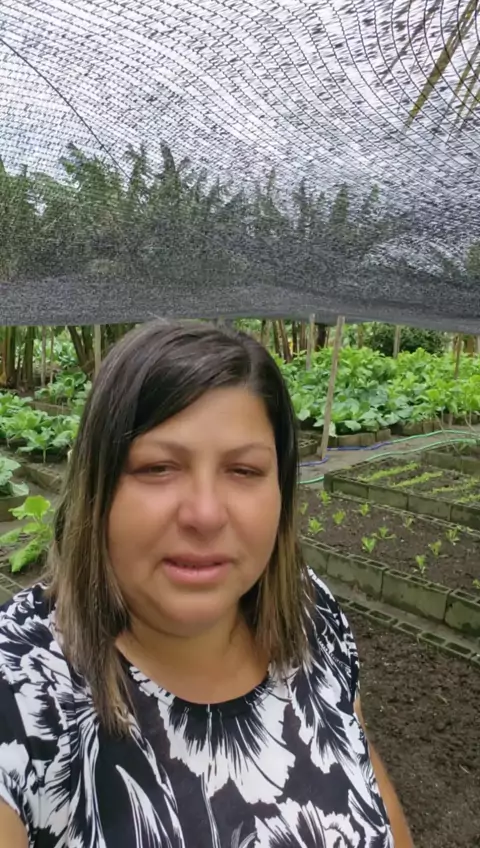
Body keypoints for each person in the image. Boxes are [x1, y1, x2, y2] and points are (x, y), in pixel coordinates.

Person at [0, 321, 413, 848]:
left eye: (243, 471)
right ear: (96, 487)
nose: (205, 514)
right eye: (157, 468)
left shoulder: (312, 615)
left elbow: (367, 781)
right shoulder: (20, 687)